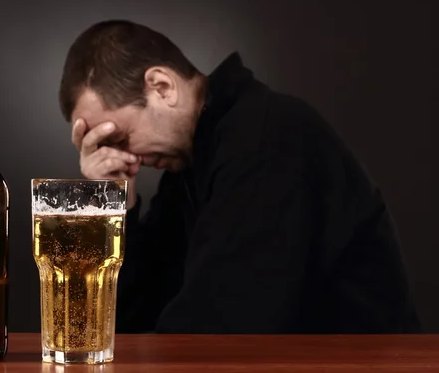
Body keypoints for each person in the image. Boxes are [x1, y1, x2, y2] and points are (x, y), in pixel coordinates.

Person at [57, 19, 422, 334]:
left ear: (162, 87)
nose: (124, 155)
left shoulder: (267, 140)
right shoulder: (191, 164)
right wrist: (115, 200)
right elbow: (126, 321)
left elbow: (217, 330)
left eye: (118, 138)